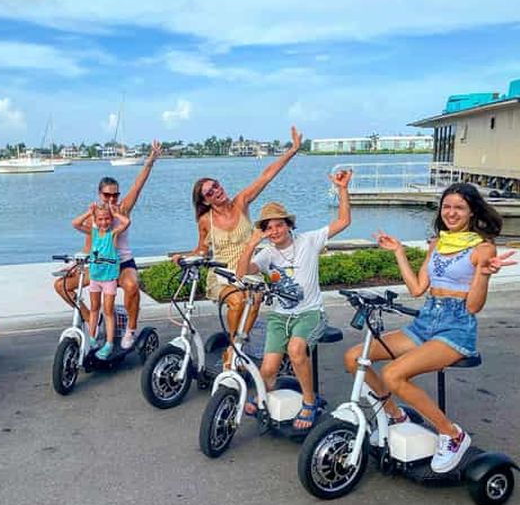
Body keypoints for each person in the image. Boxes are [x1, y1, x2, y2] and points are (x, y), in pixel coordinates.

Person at [343, 182, 516, 472]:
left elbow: (474, 306)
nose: (451, 212)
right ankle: (396, 416)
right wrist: (398, 251)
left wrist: (484, 275)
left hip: (456, 328)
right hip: (426, 321)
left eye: (459, 207)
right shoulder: (437, 243)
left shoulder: (483, 248)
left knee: (394, 374)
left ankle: (452, 434)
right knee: (353, 357)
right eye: (446, 206)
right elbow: (417, 288)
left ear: (472, 211)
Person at [236, 169, 353, 430]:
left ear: (289, 224)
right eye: (269, 227)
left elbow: (344, 221)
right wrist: (251, 244)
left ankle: (309, 402)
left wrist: (342, 189)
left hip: (310, 313)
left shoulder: (309, 241)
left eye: (280, 224)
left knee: (296, 350)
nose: (275, 230)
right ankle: (265, 395)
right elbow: (242, 272)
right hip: (280, 316)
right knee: (267, 370)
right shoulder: (266, 254)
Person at [178, 126, 303, 368]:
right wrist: (183, 257)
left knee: (254, 298)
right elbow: (202, 251)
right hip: (222, 276)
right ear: (205, 201)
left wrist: (293, 149)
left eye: (216, 185)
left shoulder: (241, 203)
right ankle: (232, 350)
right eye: (209, 192)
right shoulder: (206, 221)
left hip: (249, 271)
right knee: (237, 301)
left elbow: (266, 176)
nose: (216, 191)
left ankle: (238, 346)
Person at [54, 140, 162, 349]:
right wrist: (78, 265)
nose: (112, 198)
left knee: (131, 286)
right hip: (99, 265)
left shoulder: (123, 210)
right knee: (61, 286)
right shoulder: (93, 216)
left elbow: (138, 186)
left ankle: (130, 329)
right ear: (99, 194)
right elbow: (90, 243)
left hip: (122, 264)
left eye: (115, 194)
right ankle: (89, 318)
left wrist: (150, 160)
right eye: (107, 195)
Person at [72, 203, 131, 359]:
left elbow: (126, 222)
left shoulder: (113, 234)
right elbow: (75, 223)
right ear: (96, 220)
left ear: (110, 220)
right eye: (100, 219)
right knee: (94, 309)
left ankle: (109, 343)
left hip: (109, 279)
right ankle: (92, 338)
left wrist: (114, 213)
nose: (104, 222)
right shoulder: (93, 232)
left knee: (108, 311)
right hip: (95, 277)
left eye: (107, 219)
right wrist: (88, 212)